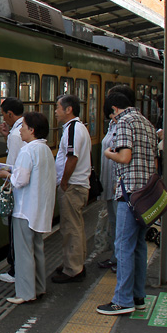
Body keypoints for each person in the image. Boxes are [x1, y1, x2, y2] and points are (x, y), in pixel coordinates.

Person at [96, 90, 158, 315]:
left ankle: (122, 300)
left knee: (123, 246)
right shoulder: (146, 123)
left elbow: (124, 157)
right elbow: (154, 161)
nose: (112, 120)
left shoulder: (123, 122)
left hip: (129, 193)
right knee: (139, 245)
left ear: (114, 109)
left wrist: (108, 153)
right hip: (146, 194)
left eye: (111, 116)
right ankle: (138, 296)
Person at [0, 112, 55, 304]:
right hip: (40, 208)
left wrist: (6, 174)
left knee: (23, 253)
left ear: (32, 130)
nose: (20, 130)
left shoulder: (27, 151)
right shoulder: (45, 149)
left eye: (23, 127)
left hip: (25, 209)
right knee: (37, 249)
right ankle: (39, 287)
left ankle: (25, 293)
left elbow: (20, 180)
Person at [51, 94, 92, 284]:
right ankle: (75, 262)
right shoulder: (77, 127)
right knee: (75, 226)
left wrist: (64, 181)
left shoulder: (73, 129)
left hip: (73, 186)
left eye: (58, 107)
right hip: (76, 184)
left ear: (69, 109)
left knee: (70, 228)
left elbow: (72, 157)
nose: (55, 111)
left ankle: (73, 269)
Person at [97, 84, 136, 272]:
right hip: (110, 183)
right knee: (114, 222)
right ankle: (115, 256)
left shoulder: (125, 124)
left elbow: (124, 156)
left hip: (118, 184)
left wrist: (117, 181)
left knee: (121, 225)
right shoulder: (114, 123)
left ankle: (120, 261)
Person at [0, 97, 26, 284]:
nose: (3, 119)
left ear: (10, 114)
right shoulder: (21, 129)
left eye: (4, 115)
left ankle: (15, 269)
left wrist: (3, 176)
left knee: (14, 230)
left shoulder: (16, 134)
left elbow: (12, 165)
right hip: (23, 188)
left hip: (17, 188)